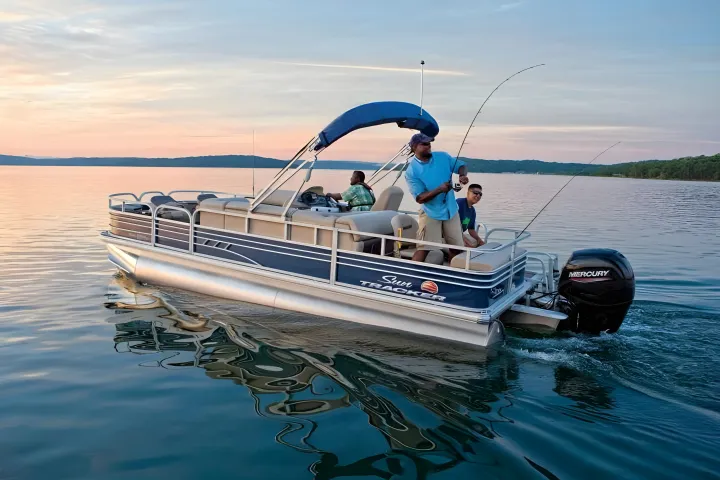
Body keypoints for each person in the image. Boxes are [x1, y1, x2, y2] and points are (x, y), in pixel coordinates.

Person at [404, 133, 469, 262]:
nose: (428, 146)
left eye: (429, 143)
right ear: (414, 147)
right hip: (430, 212)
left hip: (451, 210)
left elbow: (462, 165)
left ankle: (452, 275)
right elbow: (420, 198)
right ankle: (411, 276)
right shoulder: (411, 171)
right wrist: (439, 189)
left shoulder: (442, 157)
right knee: (424, 248)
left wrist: (462, 175)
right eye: (424, 144)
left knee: (457, 248)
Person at [457, 184, 485, 248]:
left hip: (460, 234)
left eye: (480, 194)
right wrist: (464, 240)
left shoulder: (472, 211)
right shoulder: (459, 203)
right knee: (467, 246)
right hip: (449, 235)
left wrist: (480, 241)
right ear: (467, 193)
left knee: (476, 243)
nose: (478, 195)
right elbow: (450, 226)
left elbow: (471, 229)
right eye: (475, 193)